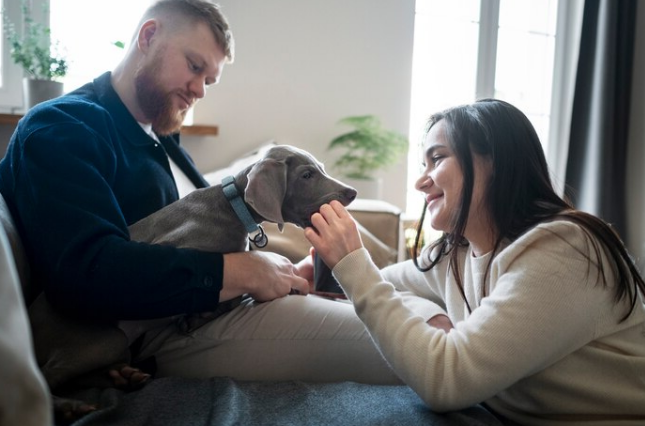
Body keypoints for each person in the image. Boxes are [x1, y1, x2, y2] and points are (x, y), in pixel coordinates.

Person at [0, 0, 404, 392]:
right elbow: (87, 272)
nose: (200, 90)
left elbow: (211, 230)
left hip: (221, 303)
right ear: (148, 35)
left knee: (409, 313)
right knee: (406, 343)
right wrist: (244, 272)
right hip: (163, 328)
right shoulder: (62, 128)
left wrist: (282, 271)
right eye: (195, 67)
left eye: (209, 80)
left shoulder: (163, 140)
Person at [305, 99, 645, 425]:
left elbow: (446, 381)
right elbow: (383, 282)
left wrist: (353, 261)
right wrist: (317, 275)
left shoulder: (566, 250)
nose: (421, 181)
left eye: (437, 159)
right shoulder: (458, 254)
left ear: (494, 161)